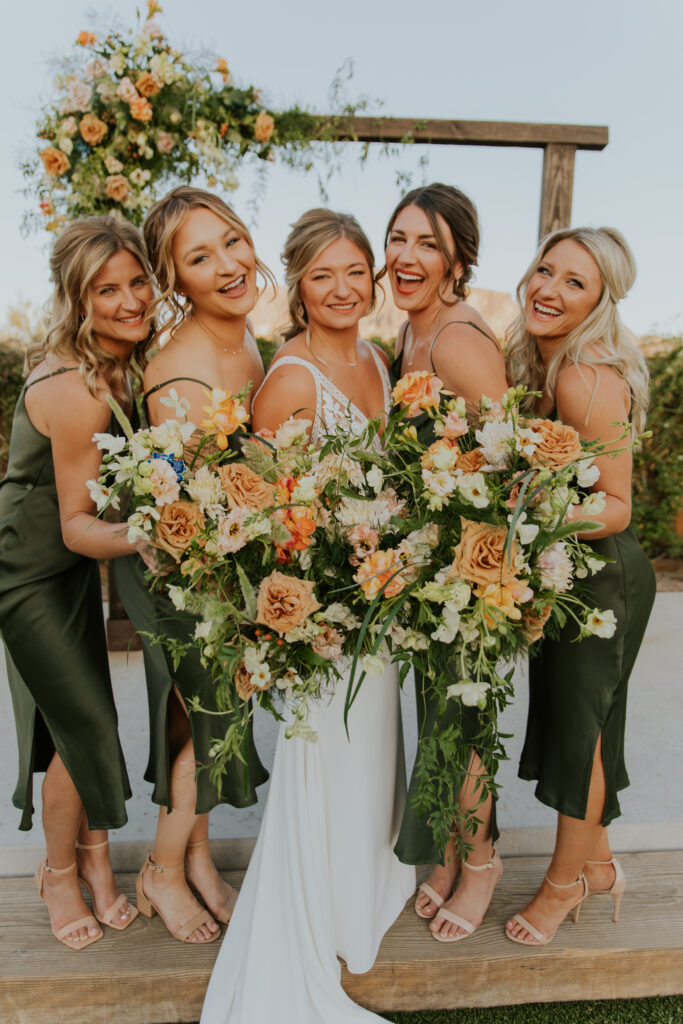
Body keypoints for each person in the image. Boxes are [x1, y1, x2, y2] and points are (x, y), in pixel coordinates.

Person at [200, 209, 415, 1024]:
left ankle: (362, 890)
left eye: (354, 271)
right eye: (322, 274)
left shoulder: (378, 361)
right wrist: (311, 604)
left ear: (371, 277)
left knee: (371, 754)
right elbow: (257, 516)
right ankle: (315, 914)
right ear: (297, 284)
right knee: (325, 762)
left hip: (380, 602)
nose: (341, 288)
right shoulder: (289, 379)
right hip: (322, 617)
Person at [114, 187, 272, 944]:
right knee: (213, 726)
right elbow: (182, 508)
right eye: (199, 257)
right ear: (174, 281)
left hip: (230, 561)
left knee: (202, 724)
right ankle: (163, 870)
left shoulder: (247, 341)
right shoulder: (180, 372)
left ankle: (199, 862)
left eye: (232, 241)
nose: (228, 265)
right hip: (184, 569)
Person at [0, 216, 157, 949]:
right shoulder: (75, 387)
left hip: (65, 574)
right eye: (107, 290)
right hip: (26, 576)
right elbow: (74, 525)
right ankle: (58, 874)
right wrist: (163, 534)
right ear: (77, 297)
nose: (130, 300)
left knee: (86, 717)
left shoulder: (124, 361)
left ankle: (94, 863)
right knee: (85, 726)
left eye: (137, 282)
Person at [504, 226, 655, 945]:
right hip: (576, 571)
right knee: (584, 730)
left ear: (599, 302)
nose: (548, 289)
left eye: (573, 283)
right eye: (545, 270)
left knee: (580, 740)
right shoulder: (543, 362)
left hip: (600, 578)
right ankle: (596, 868)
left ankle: (561, 887)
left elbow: (618, 505)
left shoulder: (580, 375)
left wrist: (526, 516)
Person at [382, 183, 509, 942]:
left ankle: (481, 862)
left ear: (458, 258)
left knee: (466, 720)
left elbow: (507, 457)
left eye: (427, 243)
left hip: (472, 560)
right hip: (430, 561)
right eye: (398, 238)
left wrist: (474, 565)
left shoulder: (458, 338)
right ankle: (450, 854)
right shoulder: (408, 335)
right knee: (441, 714)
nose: (406, 256)